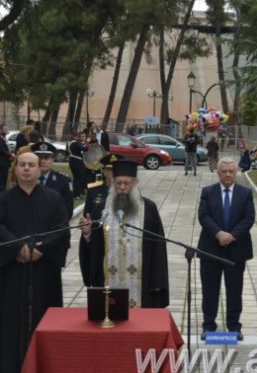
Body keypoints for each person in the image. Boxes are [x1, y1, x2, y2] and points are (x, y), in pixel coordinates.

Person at [0, 151, 69, 373]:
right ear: (15, 169)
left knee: (44, 317)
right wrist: (17, 247)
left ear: (39, 170)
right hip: (13, 268)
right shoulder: (5, 199)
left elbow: (62, 227)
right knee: (10, 318)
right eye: (22, 165)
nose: (26, 169)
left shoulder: (53, 198)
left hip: (43, 269)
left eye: (31, 165)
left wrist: (43, 250)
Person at [78, 160, 169, 308]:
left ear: (134, 184)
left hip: (141, 284)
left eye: (126, 184)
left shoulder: (149, 208)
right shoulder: (102, 208)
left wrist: (158, 282)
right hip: (107, 280)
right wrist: (88, 234)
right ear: (113, 183)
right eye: (118, 183)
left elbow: (158, 247)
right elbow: (95, 247)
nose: (122, 188)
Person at [197, 158, 255, 340]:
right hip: (211, 249)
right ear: (218, 173)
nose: (228, 174)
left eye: (231, 171)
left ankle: (234, 326)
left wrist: (232, 235)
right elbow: (203, 216)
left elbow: (249, 218)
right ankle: (208, 325)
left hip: (236, 249)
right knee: (210, 290)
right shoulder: (208, 192)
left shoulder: (245, 193)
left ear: (236, 172)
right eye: (224, 171)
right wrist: (219, 234)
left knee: (234, 290)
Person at [34, 144, 73, 222]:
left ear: (53, 159)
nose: (42, 161)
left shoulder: (63, 181)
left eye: (46, 158)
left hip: (53, 229)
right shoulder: (27, 179)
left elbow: (68, 211)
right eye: (40, 158)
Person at [68, 132, 88, 199]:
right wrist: (91, 145)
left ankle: (77, 194)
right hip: (76, 162)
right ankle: (76, 195)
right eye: (81, 137)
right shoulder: (75, 143)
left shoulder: (77, 143)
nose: (82, 138)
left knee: (78, 179)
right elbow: (85, 149)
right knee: (78, 179)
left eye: (83, 136)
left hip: (76, 162)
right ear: (77, 137)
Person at [0, 124, 10, 192]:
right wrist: (10, 155)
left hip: (4, 162)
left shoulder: (3, 137)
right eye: (5, 129)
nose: (6, 131)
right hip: (2, 162)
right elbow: (2, 150)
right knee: (2, 180)